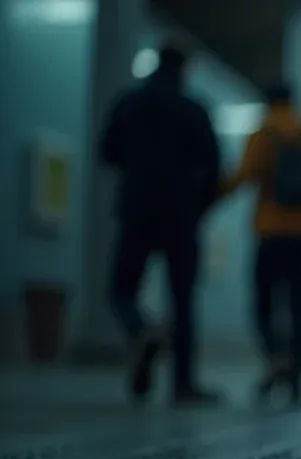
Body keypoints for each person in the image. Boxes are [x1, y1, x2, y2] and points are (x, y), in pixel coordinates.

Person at [100, 43, 222, 404]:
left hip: (137, 210)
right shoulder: (193, 109)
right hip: (182, 217)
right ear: (184, 69)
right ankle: (183, 384)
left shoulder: (129, 103)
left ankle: (142, 331)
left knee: (121, 290)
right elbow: (214, 169)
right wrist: (197, 206)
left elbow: (107, 151)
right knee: (182, 300)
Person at [220, 83, 301, 405]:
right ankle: (297, 376)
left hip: (270, 232)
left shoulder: (262, 134)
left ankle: (274, 355)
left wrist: (211, 194)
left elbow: (242, 176)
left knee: (263, 303)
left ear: (267, 102)